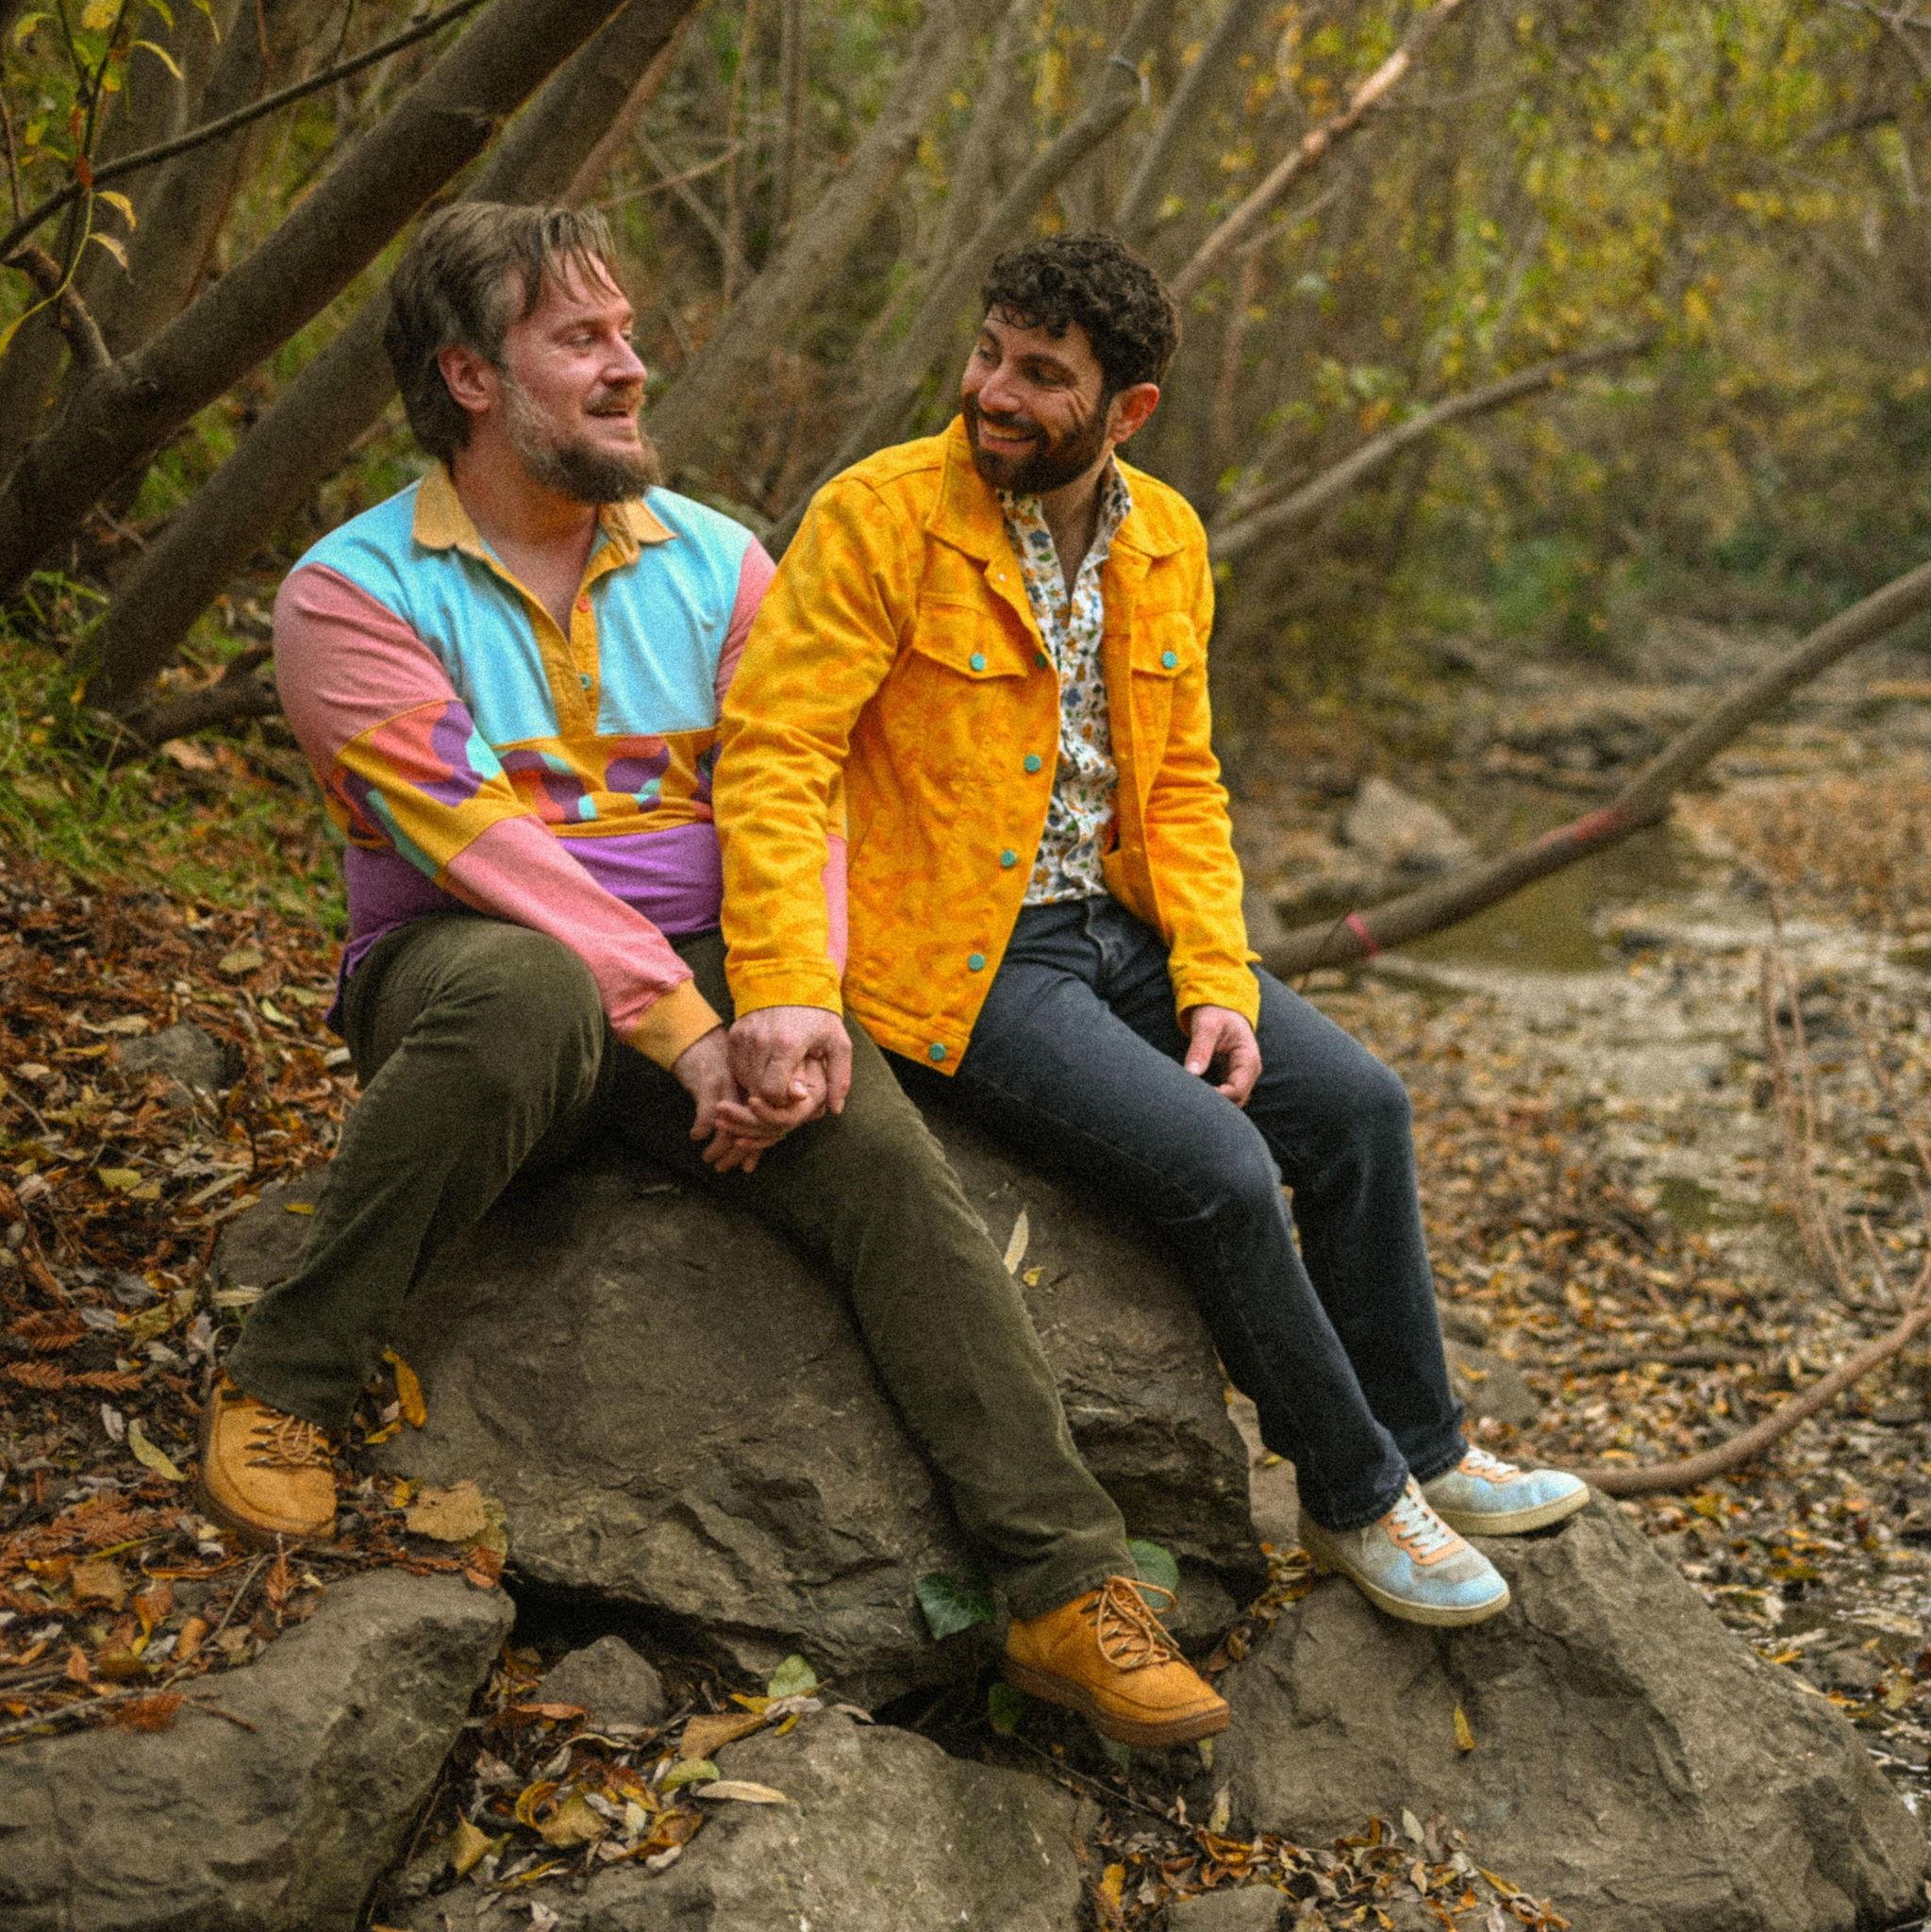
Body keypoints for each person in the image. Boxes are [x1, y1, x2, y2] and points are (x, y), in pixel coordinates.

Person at [196, 203, 1229, 1752]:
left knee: (892, 1172)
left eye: (625, 335)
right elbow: (497, 862)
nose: (633, 367)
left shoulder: (721, 560)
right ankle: (289, 1373)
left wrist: (793, 1004)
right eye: (585, 342)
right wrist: (696, 1038)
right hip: (476, 983)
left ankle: (1066, 1586)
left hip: (720, 976)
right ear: (472, 379)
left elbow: (793, 789)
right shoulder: (348, 597)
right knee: (528, 990)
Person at [713, 231, 1588, 1632]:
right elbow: (772, 756)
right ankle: (1359, 1499)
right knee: (1224, 1172)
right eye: (989, 354)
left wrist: (1220, 981)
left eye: (1040, 374)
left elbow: (1176, 780)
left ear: (1126, 411)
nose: (994, 391)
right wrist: (780, 986)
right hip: (962, 957)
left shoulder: (1166, 538)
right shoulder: (879, 516)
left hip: (1117, 928)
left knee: (1360, 1108)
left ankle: (1429, 1447)